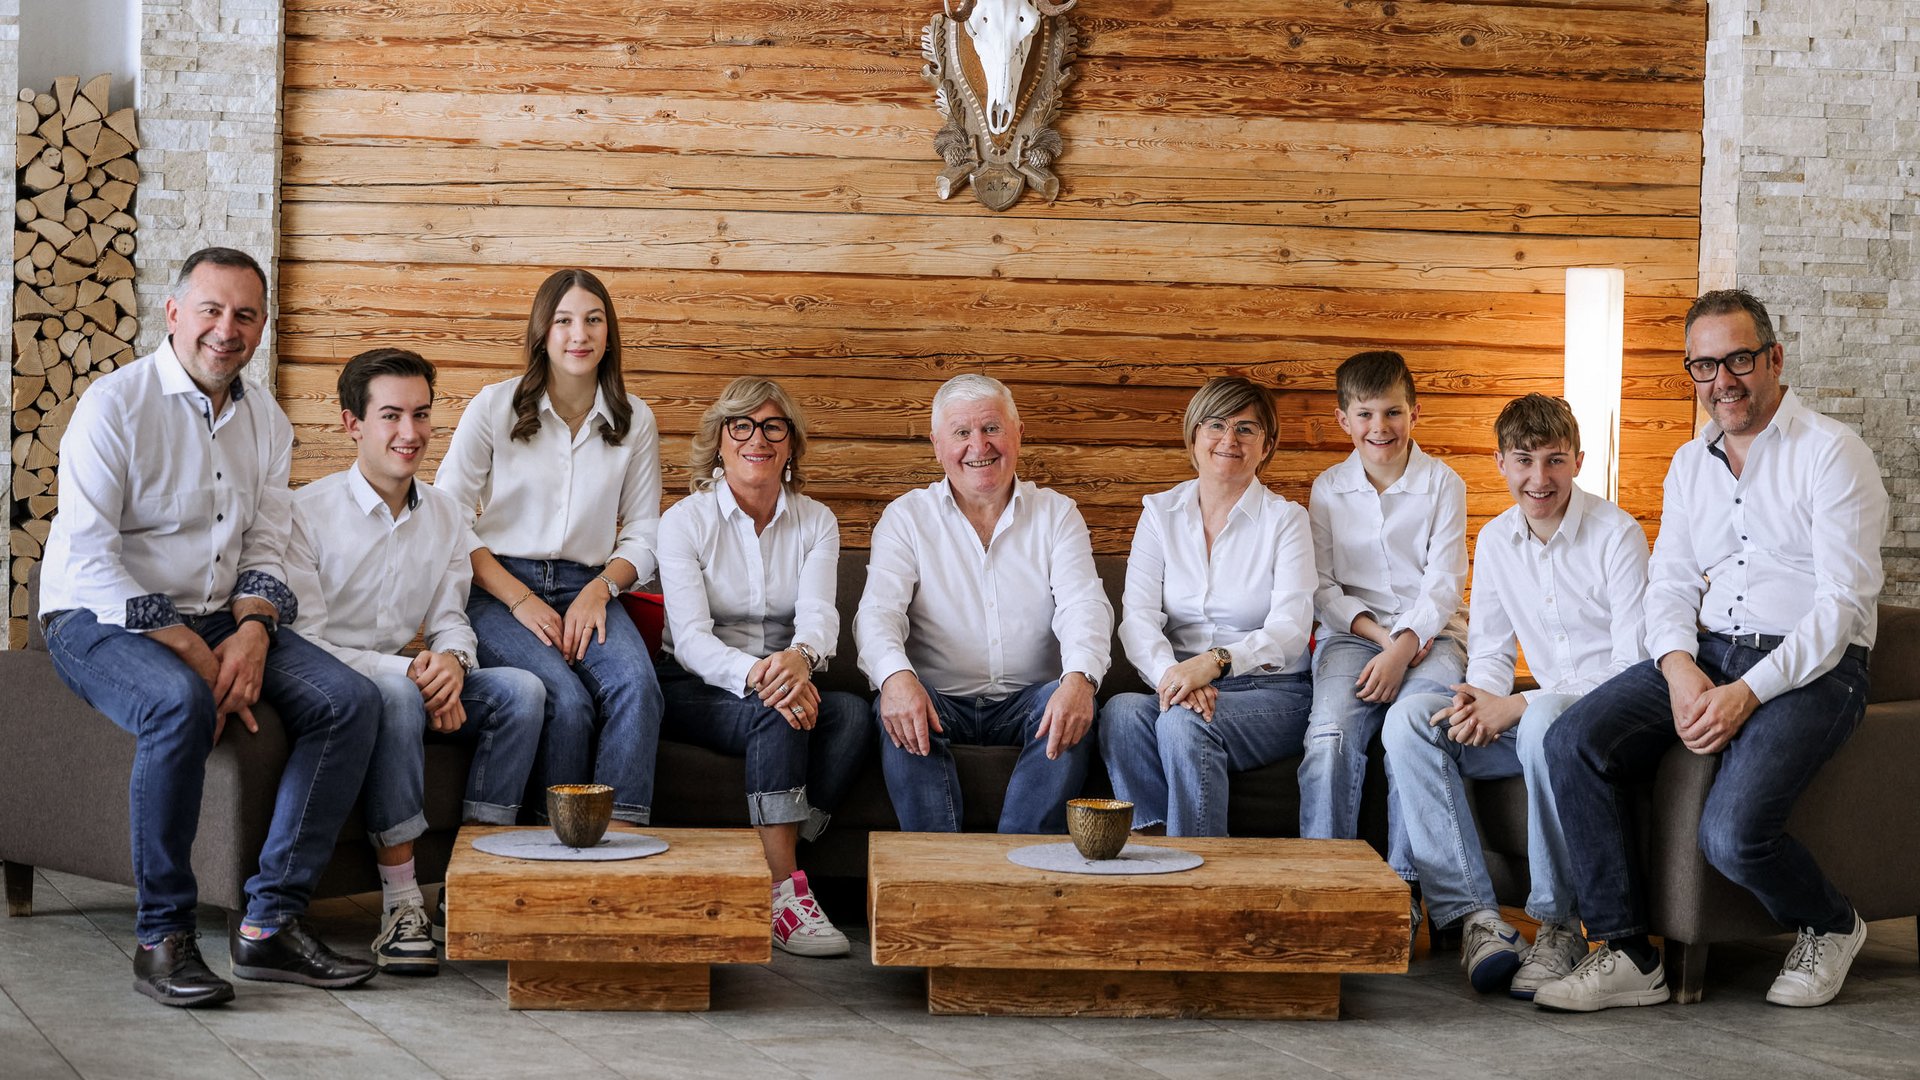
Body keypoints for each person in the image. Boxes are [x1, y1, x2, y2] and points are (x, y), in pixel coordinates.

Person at [38, 247, 380, 1007]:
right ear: (174, 314)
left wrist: (253, 631)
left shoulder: (266, 419)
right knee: (178, 702)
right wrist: (192, 647)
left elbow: (267, 543)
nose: (227, 330)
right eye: (212, 310)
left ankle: (268, 927)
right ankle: (163, 937)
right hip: (96, 615)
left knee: (351, 701)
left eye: (245, 315)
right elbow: (90, 558)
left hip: (223, 610)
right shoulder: (112, 406)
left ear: (261, 326)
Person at [1536, 289, 1888, 1012]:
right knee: (1572, 738)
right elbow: (1667, 578)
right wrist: (1676, 665)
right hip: (1707, 651)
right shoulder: (1689, 463)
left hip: (1814, 667)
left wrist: (1748, 691)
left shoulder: (1832, 453)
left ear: (1774, 359)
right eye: (1704, 365)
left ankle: (1831, 922)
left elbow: (1842, 608)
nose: (1722, 380)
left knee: (1729, 836)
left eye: (1738, 359)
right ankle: (1629, 951)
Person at [286, 347, 547, 975]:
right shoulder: (305, 512)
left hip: (414, 672)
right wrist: (408, 671)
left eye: (423, 416)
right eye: (391, 416)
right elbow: (304, 640)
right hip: (334, 683)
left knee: (523, 691)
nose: (411, 434)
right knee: (400, 693)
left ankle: (470, 882)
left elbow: (452, 617)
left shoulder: (447, 515)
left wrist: (453, 662)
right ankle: (402, 903)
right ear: (352, 424)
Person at [1382, 394, 1647, 997]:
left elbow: (1634, 668)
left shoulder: (1617, 535)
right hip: (1531, 717)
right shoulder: (1497, 539)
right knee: (1410, 721)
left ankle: (1559, 926)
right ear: (1500, 462)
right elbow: (1495, 651)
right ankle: (1477, 918)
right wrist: (1482, 703)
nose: (1539, 478)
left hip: (1602, 723)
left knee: (1545, 715)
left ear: (1579, 461)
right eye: (1524, 460)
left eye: (1554, 461)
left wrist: (1519, 706)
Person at [435, 268, 665, 826]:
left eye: (593, 320)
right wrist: (518, 599)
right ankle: (550, 845)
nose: (578, 334)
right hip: (496, 586)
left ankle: (618, 841)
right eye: (563, 321)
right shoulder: (494, 406)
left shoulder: (635, 422)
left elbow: (644, 533)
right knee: (566, 701)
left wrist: (600, 590)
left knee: (638, 687)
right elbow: (445, 519)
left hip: (590, 586)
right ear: (542, 331)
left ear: (609, 335)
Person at [655, 377, 873, 957]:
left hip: (787, 675)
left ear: (791, 444)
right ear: (720, 442)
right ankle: (784, 894)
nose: (759, 438)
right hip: (696, 684)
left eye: (774, 426)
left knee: (854, 714)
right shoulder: (684, 522)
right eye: (742, 426)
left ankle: (769, 852)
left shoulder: (816, 521)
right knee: (776, 714)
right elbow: (695, 642)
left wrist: (799, 660)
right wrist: (762, 676)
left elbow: (819, 618)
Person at [856, 374, 1112, 833]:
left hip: (1030, 700)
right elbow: (878, 614)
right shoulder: (906, 518)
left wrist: (1079, 679)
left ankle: (1013, 872)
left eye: (992, 428)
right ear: (937, 446)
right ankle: (939, 868)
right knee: (891, 703)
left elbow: (1084, 607)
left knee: (1073, 702)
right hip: (938, 701)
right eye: (961, 433)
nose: (979, 445)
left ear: (1018, 435)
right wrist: (895, 679)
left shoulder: (1057, 513)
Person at [1098, 377, 1315, 837]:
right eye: (1215, 424)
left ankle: (1203, 873)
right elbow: (1137, 618)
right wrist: (1176, 678)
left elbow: (1290, 630)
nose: (1228, 439)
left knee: (1181, 724)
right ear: (1194, 435)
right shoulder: (1159, 513)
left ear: (1267, 444)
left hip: (1272, 692)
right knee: (1120, 713)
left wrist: (1214, 664)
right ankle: (1156, 849)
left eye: (1246, 428)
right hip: (1181, 681)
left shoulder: (1287, 521)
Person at [1298, 350, 1468, 912]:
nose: (1380, 428)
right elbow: (1322, 588)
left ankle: (1403, 892)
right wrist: (1382, 642)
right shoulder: (1327, 489)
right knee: (1330, 736)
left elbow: (1443, 584)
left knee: (1410, 730)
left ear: (1415, 413)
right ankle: (1325, 884)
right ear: (1345, 420)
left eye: (1392, 413)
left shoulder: (1444, 484)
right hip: (1354, 635)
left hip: (1434, 635)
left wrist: (1406, 646)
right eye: (1365, 415)